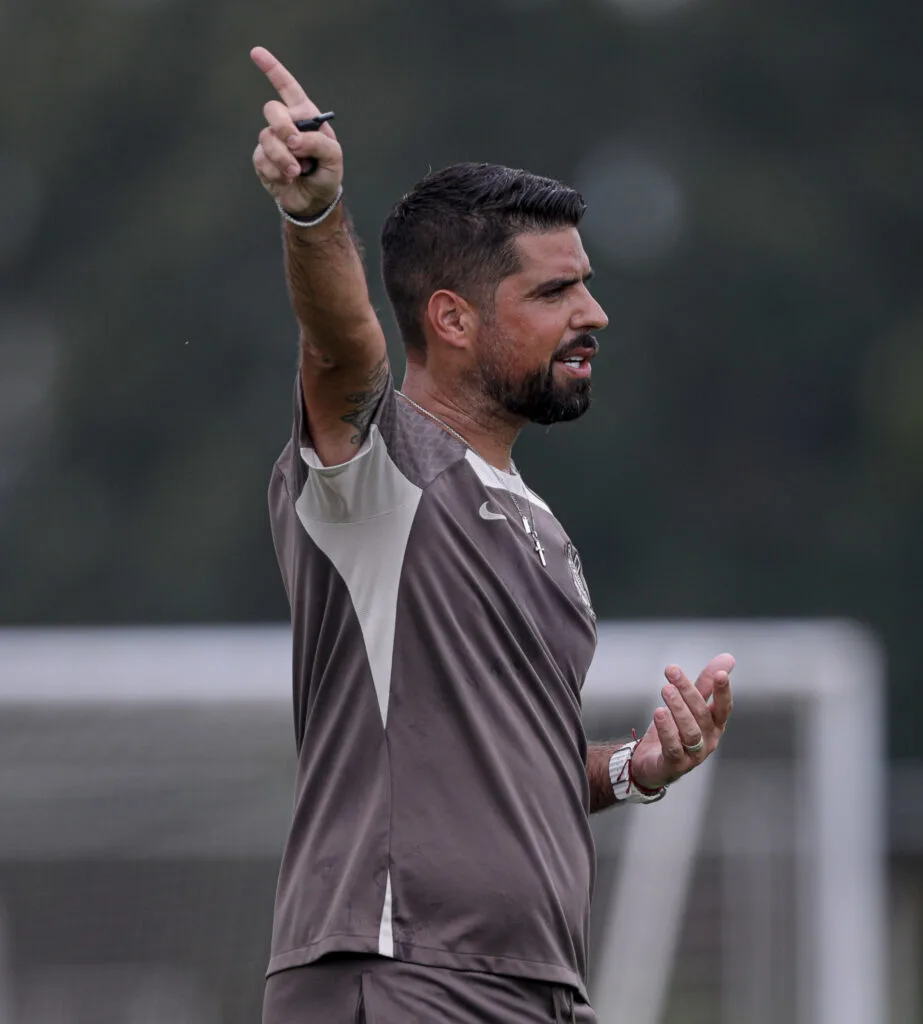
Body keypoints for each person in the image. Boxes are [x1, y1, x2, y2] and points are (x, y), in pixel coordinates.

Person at [250, 45, 734, 1024]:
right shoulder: (380, 475)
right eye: (553, 292)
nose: (591, 313)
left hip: (532, 989)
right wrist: (312, 213)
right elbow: (344, 353)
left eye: (585, 284)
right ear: (453, 319)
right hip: (397, 973)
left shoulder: (538, 526)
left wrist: (632, 769)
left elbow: (512, 764)